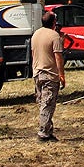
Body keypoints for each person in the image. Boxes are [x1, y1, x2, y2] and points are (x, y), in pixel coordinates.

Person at [30, 10, 66, 142]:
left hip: (37, 73)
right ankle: (43, 133)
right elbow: (58, 57)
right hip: (49, 74)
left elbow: (33, 53)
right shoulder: (54, 36)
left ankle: (48, 130)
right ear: (54, 22)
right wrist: (61, 75)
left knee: (43, 102)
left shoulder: (35, 34)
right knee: (48, 103)